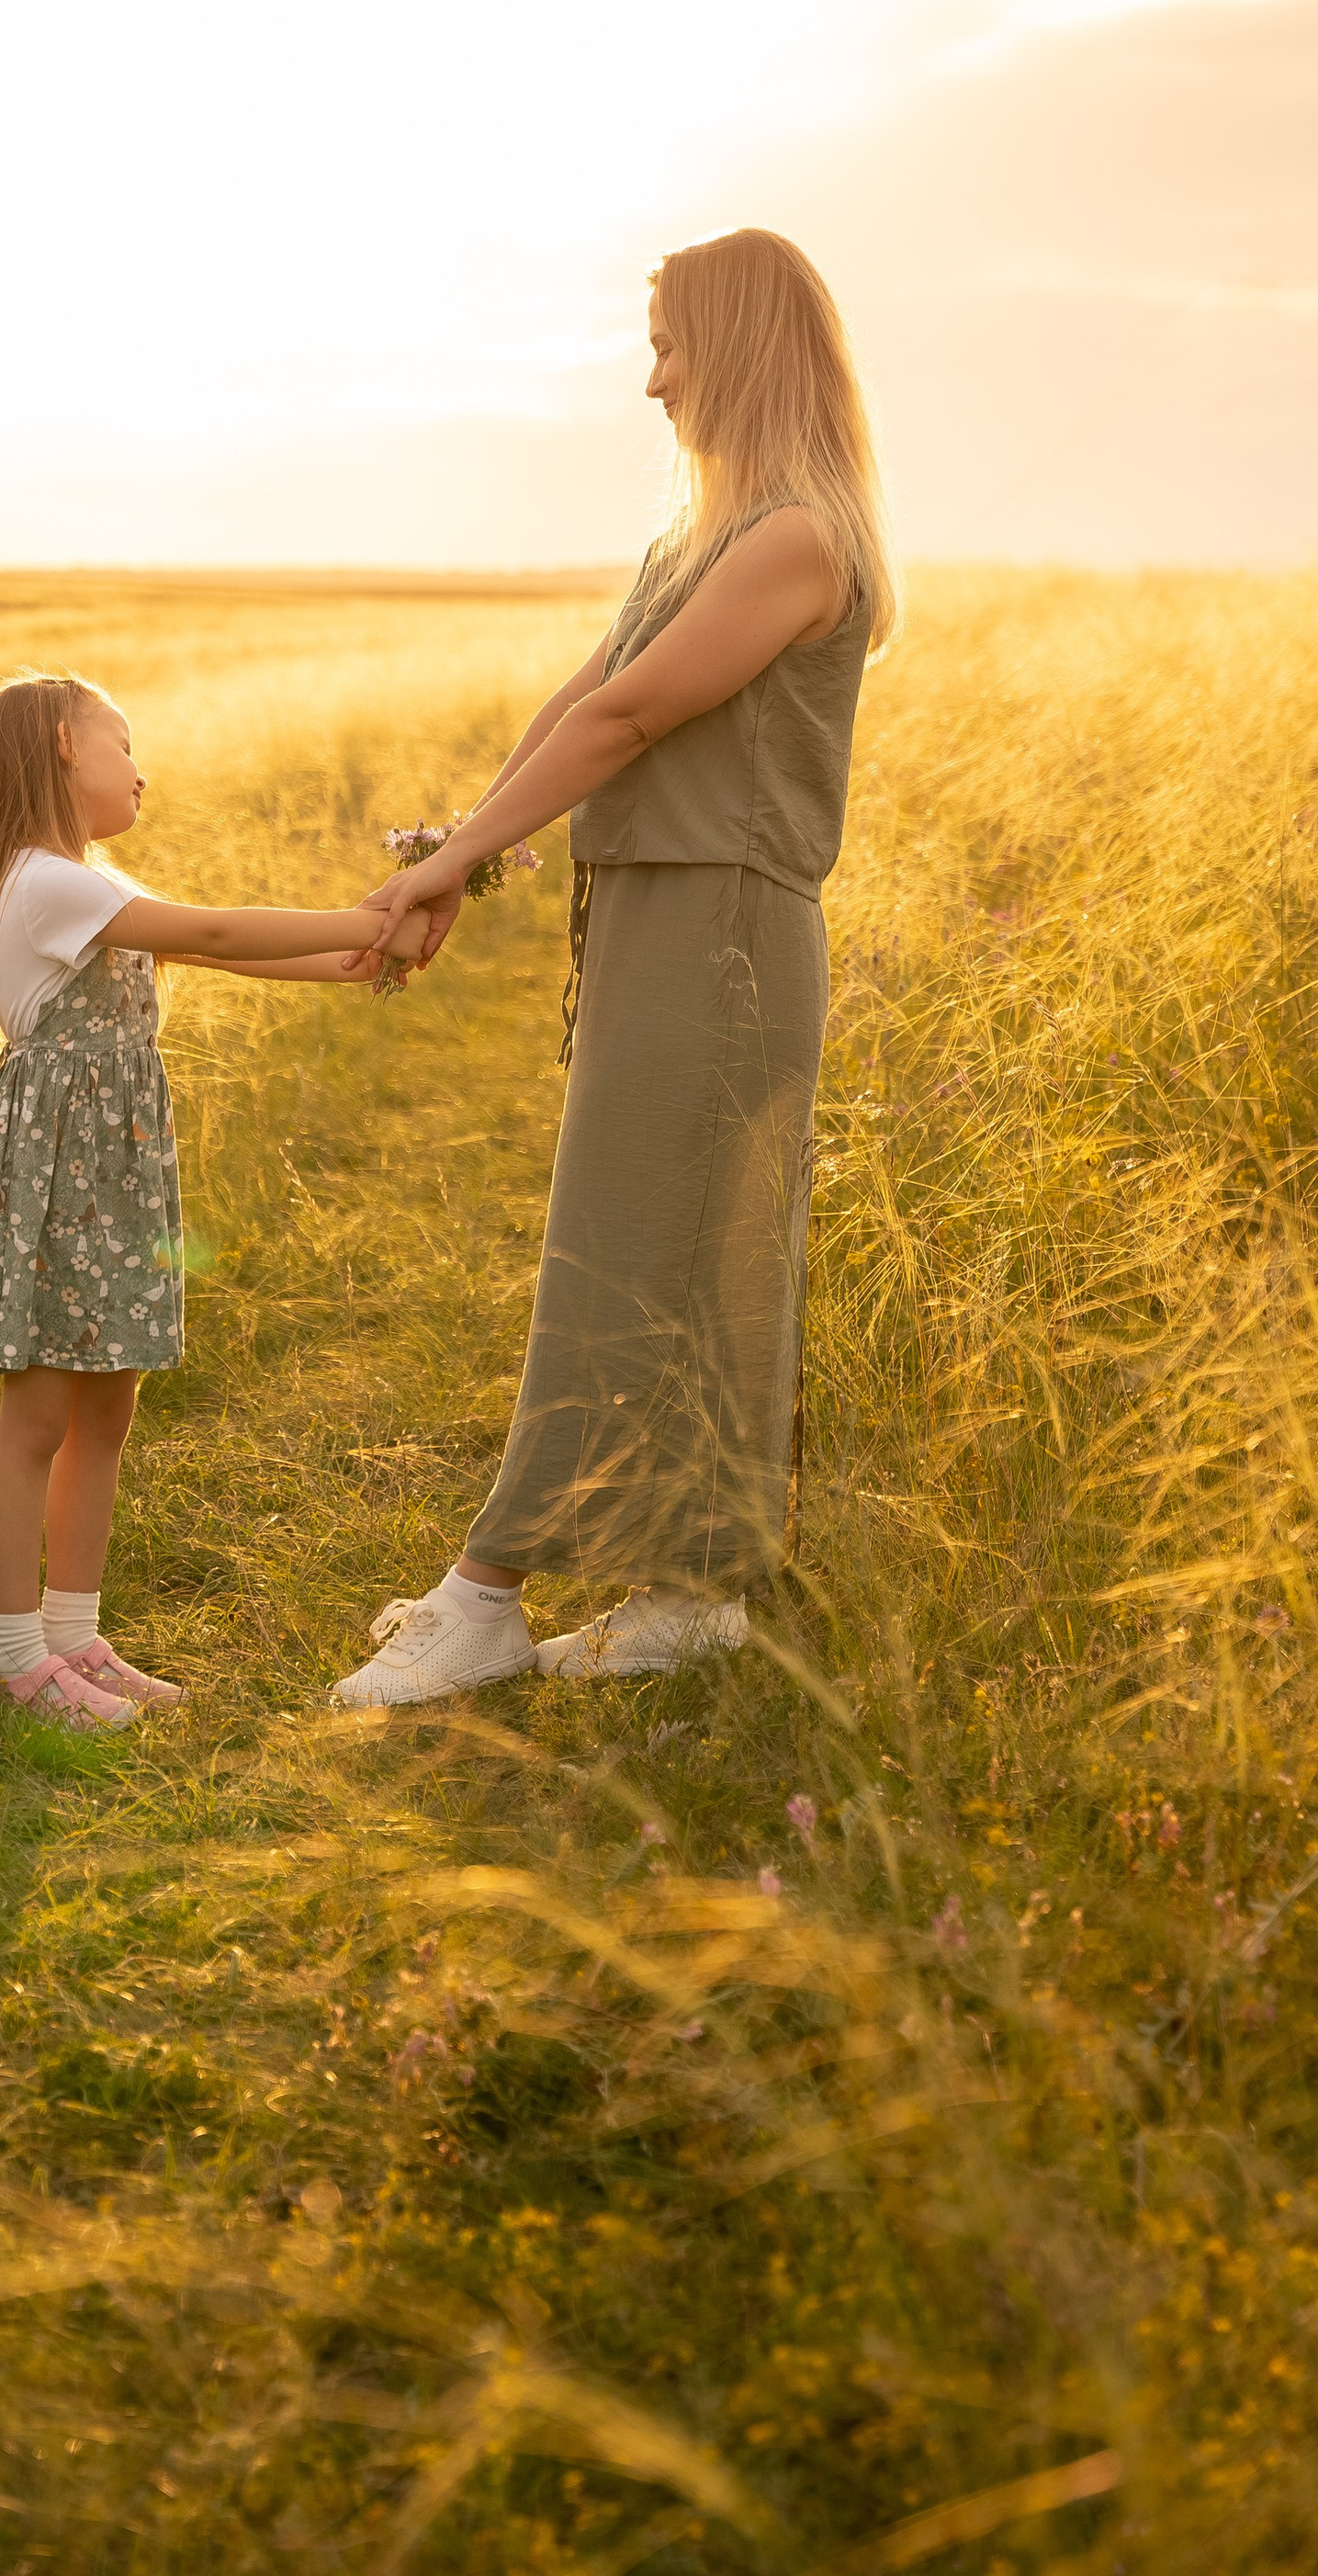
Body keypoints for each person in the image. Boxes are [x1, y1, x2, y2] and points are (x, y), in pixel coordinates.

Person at [326, 226, 896, 1706]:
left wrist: (452, 863)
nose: (652, 383)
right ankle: (689, 1595)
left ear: (740, 347)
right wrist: (468, 848)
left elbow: (630, 722)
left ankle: (489, 1593)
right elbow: (578, 701)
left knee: (625, 1261)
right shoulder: (694, 544)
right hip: (659, 921)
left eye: (670, 345)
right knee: (682, 1259)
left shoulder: (797, 539)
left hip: (728, 934)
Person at [0, 672, 430, 1730]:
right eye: (122, 742)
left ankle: (75, 1640)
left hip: (109, 1172)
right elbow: (212, 933)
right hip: (61, 1177)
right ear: (63, 750)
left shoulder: (87, 879)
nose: (140, 766)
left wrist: (355, 961)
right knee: (35, 1414)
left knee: (106, 1403)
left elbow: (220, 958)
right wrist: (368, 913)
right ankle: (16, 1661)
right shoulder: (43, 882)